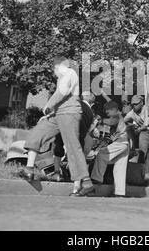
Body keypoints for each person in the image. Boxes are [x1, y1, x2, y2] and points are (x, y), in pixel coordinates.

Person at [19, 56, 94, 197]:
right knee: (38, 132)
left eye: (54, 70)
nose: (54, 73)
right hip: (59, 114)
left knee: (73, 148)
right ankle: (29, 169)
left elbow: (63, 92)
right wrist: (48, 115)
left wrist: (48, 105)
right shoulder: (63, 77)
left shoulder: (69, 73)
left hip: (70, 114)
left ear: (58, 66)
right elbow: (61, 99)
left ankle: (86, 183)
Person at [47, 91, 98, 195]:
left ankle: (57, 174)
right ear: (92, 102)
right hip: (78, 132)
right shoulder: (90, 113)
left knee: (58, 146)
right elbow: (89, 130)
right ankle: (76, 186)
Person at [91, 101, 129, 197]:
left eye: (108, 112)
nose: (107, 115)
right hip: (124, 144)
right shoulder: (119, 116)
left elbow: (111, 122)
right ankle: (119, 193)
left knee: (102, 154)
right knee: (119, 168)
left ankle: (97, 178)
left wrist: (101, 120)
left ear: (113, 110)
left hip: (120, 142)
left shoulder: (117, 115)